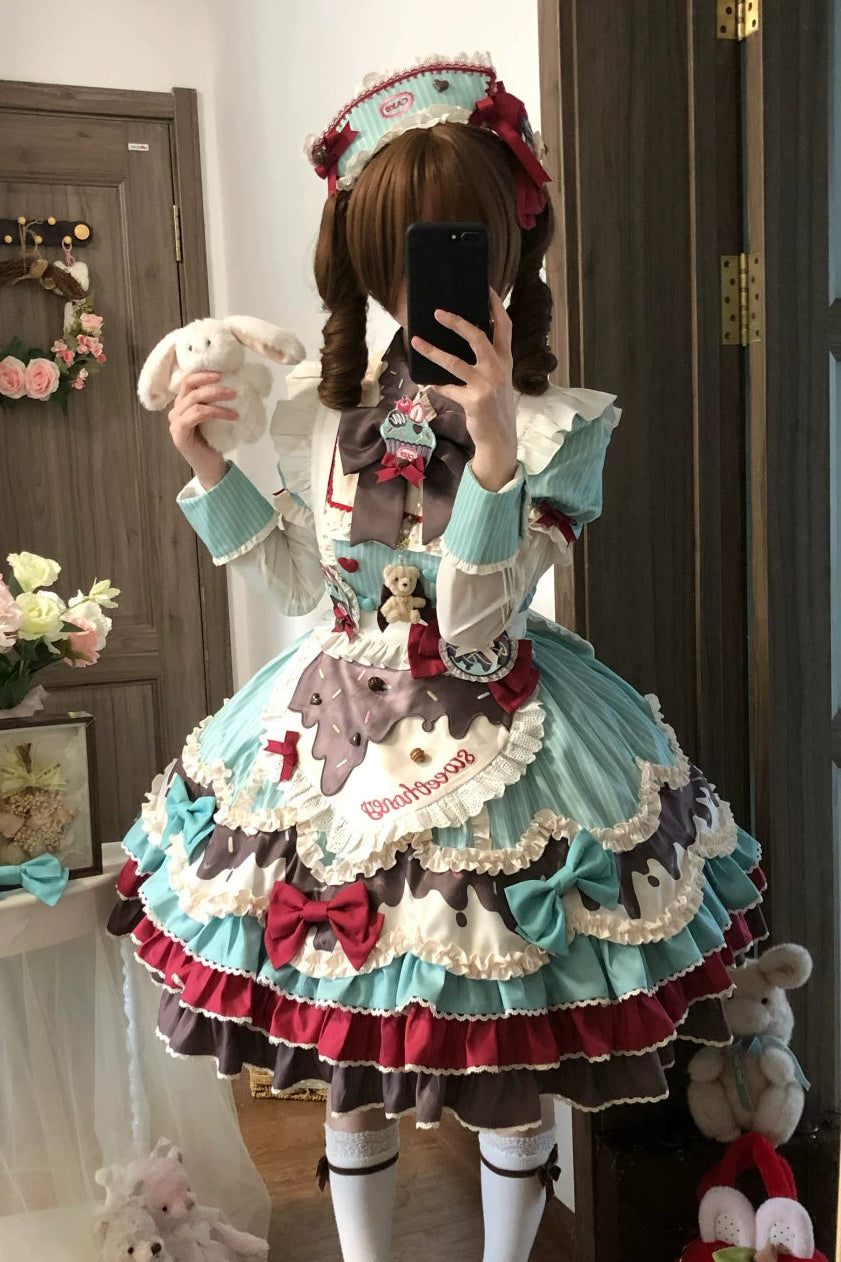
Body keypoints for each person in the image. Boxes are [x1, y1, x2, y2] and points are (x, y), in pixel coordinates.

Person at [110, 53, 766, 1262]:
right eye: (400, 247)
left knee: (507, 1047)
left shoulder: (565, 426)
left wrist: (497, 452)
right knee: (350, 1058)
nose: (423, 275)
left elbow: (471, 626)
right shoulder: (317, 409)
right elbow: (303, 587)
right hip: (333, 730)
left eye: (453, 241)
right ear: (363, 258)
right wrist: (208, 469)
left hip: (501, 728)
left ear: (506, 246)